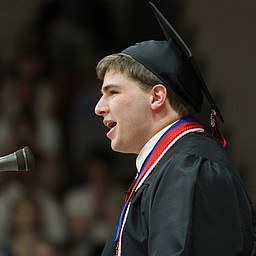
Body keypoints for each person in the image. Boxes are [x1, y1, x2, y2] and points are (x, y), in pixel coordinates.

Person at [94, 3, 256, 256]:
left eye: (112, 92)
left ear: (157, 97)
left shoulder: (189, 167)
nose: (99, 108)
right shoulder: (169, 165)